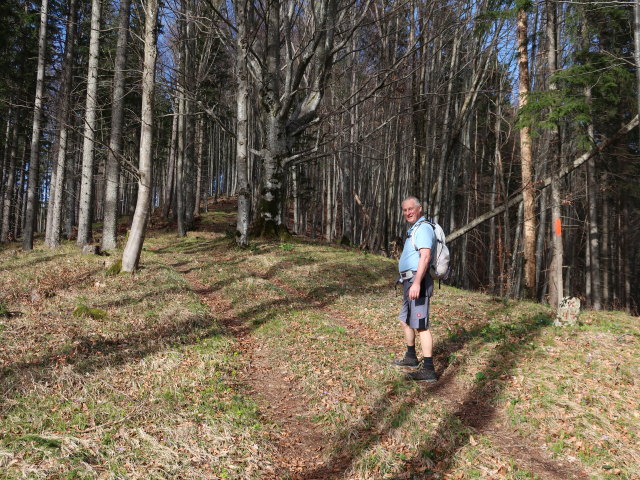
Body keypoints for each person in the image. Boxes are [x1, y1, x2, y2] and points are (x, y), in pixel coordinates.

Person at [392, 196, 437, 382]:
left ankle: (428, 369)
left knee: (421, 326)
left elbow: (425, 257)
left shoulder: (424, 228)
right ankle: (411, 357)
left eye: (411, 209)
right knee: (405, 320)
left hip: (418, 282)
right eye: (405, 210)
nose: (408, 212)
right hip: (409, 282)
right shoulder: (414, 229)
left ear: (420, 209)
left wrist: (417, 282)